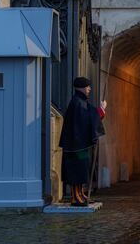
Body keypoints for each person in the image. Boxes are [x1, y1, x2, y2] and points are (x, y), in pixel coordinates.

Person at [59, 77, 107, 206]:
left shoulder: (81, 101)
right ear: (81, 88)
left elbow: (90, 114)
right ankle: (75, 197)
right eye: (87, 87)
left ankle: (80, 194)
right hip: (75, 146)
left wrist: (101, 110)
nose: (89, 89)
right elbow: (87, 118)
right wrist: (101, 110)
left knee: (82, 168)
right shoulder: (77, 103)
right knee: (77, 170)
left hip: (80, 145)